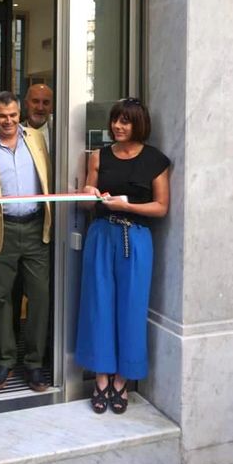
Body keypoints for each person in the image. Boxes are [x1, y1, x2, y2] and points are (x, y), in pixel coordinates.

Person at [75, 97, 170, 414]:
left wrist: (128, 205)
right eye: (115, 120)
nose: (117, 126)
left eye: (125, 121)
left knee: (132, 307)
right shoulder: (99, 156)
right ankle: (101, 378)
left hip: (136, 238)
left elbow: (161, 207)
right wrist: (88, 194)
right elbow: (86, 203)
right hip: (101, 234)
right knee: (98, 305)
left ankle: (122, 380)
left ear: (138, 124)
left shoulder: (155, 160)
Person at [0, 91, 52, 392]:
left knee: (40, 297)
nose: (8, 121)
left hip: (35, 229)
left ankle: (34, 363)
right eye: (2, 116)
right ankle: (5, 359)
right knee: (1, 299)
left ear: (20, 114)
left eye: (13, 115)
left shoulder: (36, 139)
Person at [23, 83, 53, 152]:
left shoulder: (59, 134)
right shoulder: (14, 133)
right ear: (26, 104)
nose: (40, 108)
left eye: (46, 103)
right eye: (35, 101)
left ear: (52, 107)